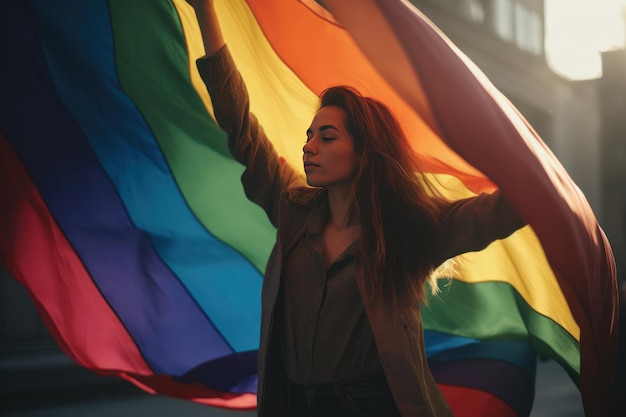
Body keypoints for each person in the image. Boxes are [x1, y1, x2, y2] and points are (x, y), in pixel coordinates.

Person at [187, 1, 524, 416]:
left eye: (327, 137)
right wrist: (206, 12)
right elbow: (240, 127)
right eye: (309, 135)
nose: (308, 146)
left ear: (365, 154)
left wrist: (517, 151)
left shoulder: (410, 227)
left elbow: (506, 210)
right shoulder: (293, 208)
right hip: (293, 404)